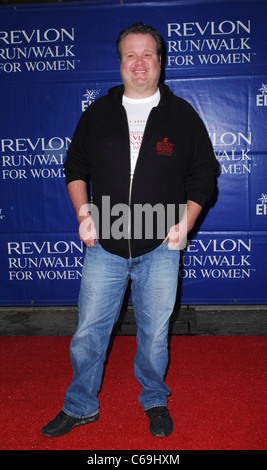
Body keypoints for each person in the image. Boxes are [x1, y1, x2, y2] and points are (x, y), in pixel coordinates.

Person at [42, 22, 218, 438]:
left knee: (155, 334)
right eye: (130, 55)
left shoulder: (182, 115)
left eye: (148, 55)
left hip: (161, 243)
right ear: (120, 62)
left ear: (160, 61)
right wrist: (84, 214)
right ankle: (80, 405)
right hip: (106, 242)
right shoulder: (98, 113)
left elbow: (204, 176)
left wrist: (186, 223)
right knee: (88, 332)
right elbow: (75, 168)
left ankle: (155, 399)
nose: (139, 63)